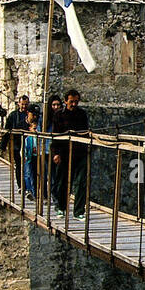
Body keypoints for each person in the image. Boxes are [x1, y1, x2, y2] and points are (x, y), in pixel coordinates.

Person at [55, 89, 91, 218]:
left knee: (81, 182)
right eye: (71, 102)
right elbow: (56, 134)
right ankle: (61, 207)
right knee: (63, 181)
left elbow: (85, 131)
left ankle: (79, 211)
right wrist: (56, 153)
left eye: (76, 102)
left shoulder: (82, 114)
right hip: (64, 152)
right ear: (65, 101)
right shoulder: (59, 115)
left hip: (80, 152)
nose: (74, 104)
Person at [43, 95, 65, 216]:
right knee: (51, 177)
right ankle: (56, 199)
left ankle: (59, 200)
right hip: (48, 150)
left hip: (60, 151)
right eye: (54, 105)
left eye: (58, 105)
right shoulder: (46, 119)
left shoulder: (63, 118)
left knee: (59, 177)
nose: (56, 107)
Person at [3, 95, 31, 191]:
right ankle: (21, 186)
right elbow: (7, 130)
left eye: (26, 104)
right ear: (18, 104)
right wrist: (3, 145)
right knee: (19, 165)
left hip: (29, 144)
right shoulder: (13, 115)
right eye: (22, 104)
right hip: (17, 144)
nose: (24, 106)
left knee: (29, 166)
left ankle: (29, 187)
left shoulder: (31, 115)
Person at [21, 110, 40, 201]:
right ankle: (30, 191)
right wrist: (24, 156)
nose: (36, 131)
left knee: (36, 175)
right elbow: (24, 148)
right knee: (28, 174)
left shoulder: (40, 138)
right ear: (30, 129)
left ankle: (35, 193)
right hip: (29, 157)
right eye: (34, 129)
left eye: (37, 129)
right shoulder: (28, 139)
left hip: (37, 157)